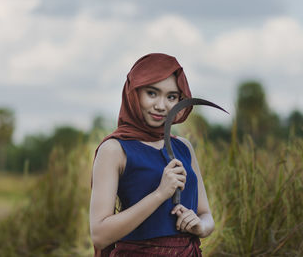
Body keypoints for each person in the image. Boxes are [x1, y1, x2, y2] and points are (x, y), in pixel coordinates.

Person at [89, 53, 214, 256]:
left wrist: (200, 226)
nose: (161, 105)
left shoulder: (183, 147)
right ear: (134, 92)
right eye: (152, 93)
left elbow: (206, 214)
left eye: (172, 97)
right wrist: (160, 194)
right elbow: (100, 235)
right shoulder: (114, 150)